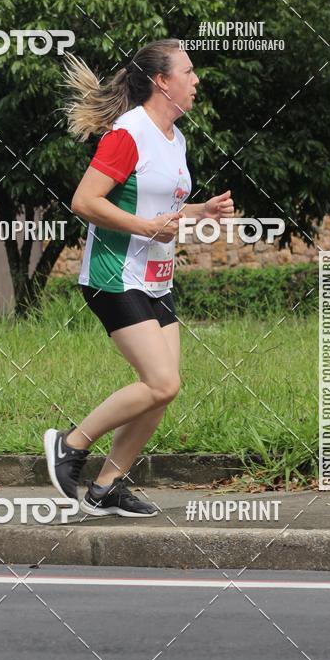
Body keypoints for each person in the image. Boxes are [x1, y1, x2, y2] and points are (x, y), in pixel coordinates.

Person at [44, 38, 235, 517]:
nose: (196, 80)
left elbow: (160, 207)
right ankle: (70, 443)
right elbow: (86, 202)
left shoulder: (176, 138)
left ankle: (108, 485)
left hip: (155, 278)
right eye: (188, 72)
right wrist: (145, 227)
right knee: (161, 381)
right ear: (161, 82)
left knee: (163, 388)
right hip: (114, 275)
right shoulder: (127, 134)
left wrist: (200, 210)